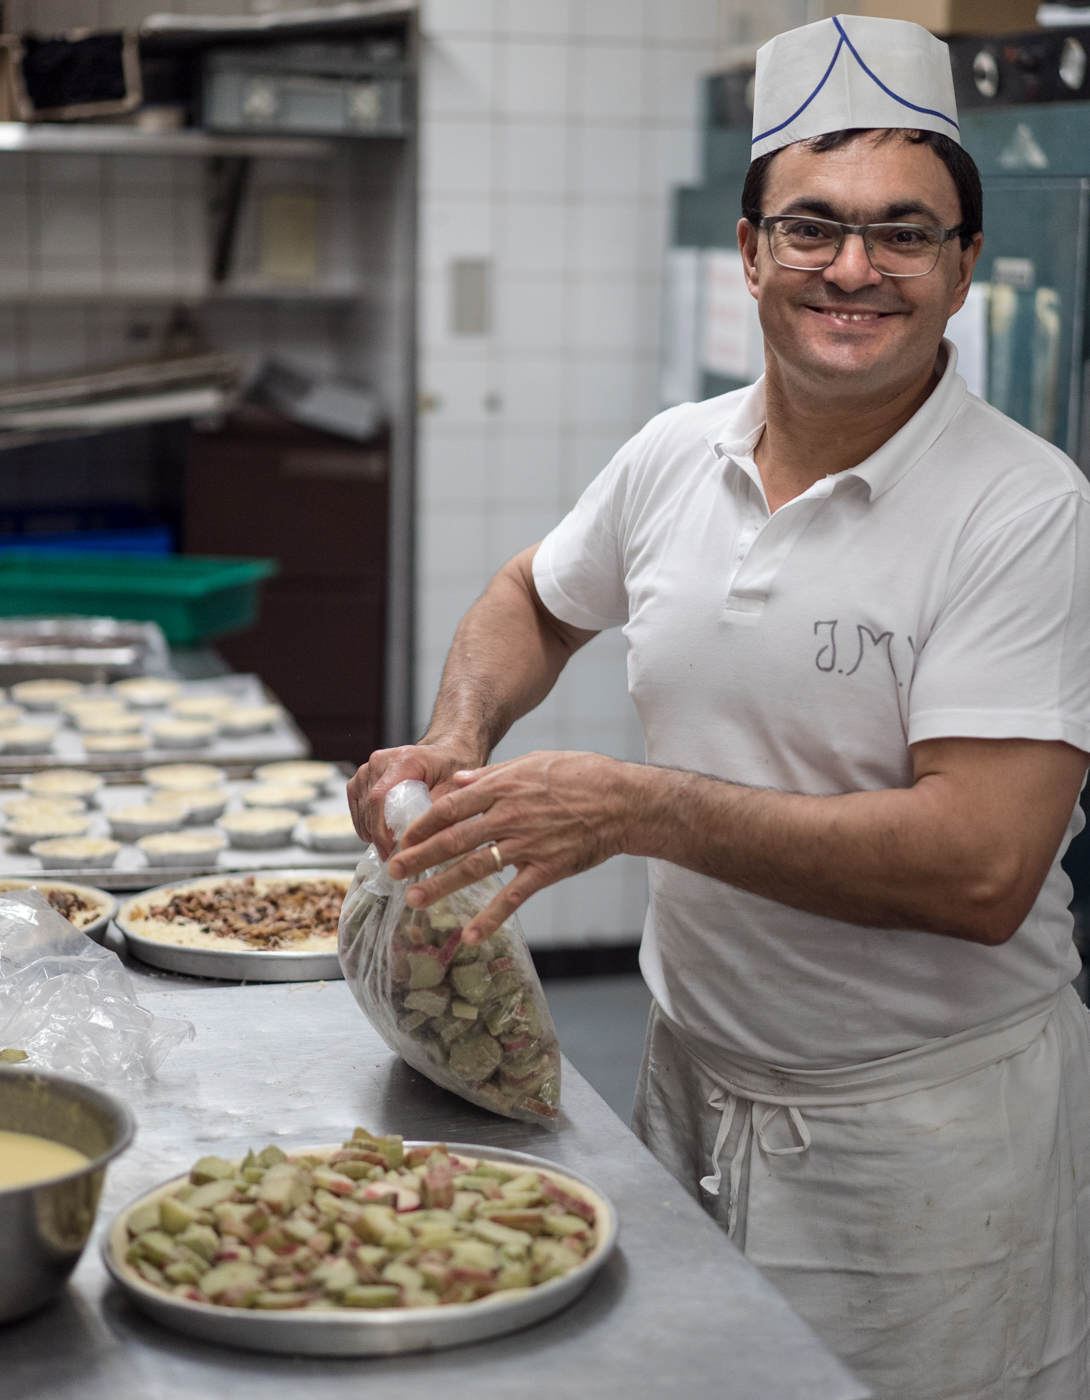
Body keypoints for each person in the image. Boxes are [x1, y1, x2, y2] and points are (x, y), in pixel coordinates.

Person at [349, 15, 1090, 1397]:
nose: (853, 270)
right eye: (810, 227)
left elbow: (984, 865)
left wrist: (641, 808)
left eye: (903, 233)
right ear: (749, 250)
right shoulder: (672, 456)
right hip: (685, 1072)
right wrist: (459, 737)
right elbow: (533, 594)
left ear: (965, 267)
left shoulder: (1025, 511)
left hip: (918, 1131)